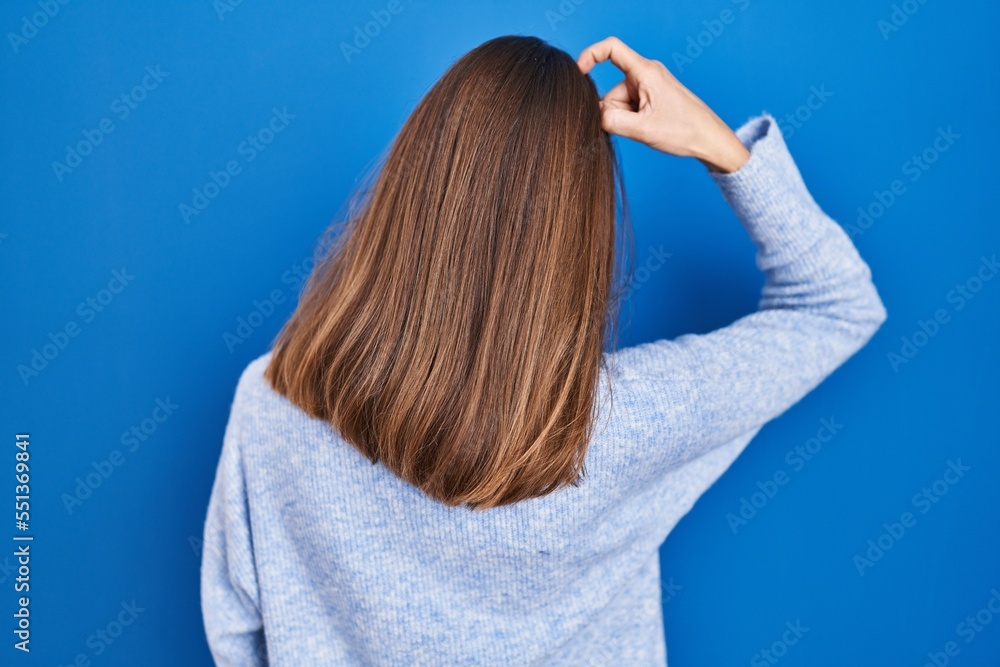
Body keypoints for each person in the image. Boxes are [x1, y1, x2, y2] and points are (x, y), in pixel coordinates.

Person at [200, 35, 887, 665]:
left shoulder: (270, 403)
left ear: (412, 187)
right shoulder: (626, 423)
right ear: (580, 235)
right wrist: (719, 146)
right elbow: (838, 303)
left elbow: (237, 633)